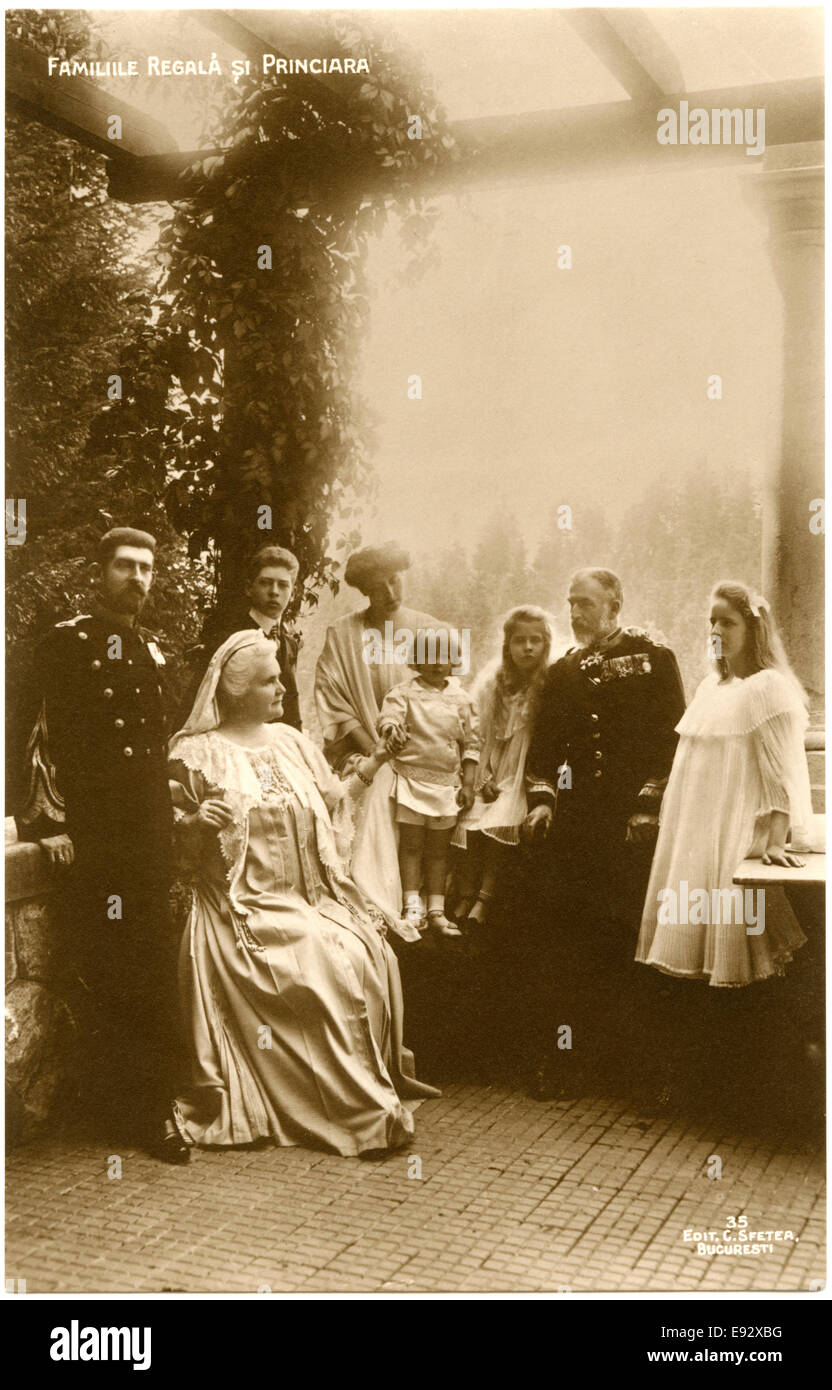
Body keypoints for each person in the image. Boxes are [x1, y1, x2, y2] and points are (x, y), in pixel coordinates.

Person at [168, 630, 439, 1157]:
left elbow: (335, 798)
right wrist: (197, 823)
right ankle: (355, 1110)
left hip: (309, 898)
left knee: (366, 949)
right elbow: (169, 844)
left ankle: (358, 1091)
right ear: (237, 687)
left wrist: (380, 756)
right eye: (270, 680)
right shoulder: (196, 754)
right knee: (315, 963)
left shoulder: (291, 741)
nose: (281, 690)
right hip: (238, 906)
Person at [18, 527, 187, 1162]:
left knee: (150, 970)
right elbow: (25, 735)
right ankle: (123, 1107)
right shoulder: (63, 645)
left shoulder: (151, 650)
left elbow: (154, 753)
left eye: (146, 568)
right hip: (91, 836)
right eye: (125, 566)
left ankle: (154, 1105)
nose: (137, 578)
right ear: (101, 571)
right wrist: (44, 821)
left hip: (145, 836)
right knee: (106, 968)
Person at [522, 567, 686, 1100]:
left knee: (629, 943)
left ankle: (636, 1071)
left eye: (586, 604)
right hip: (576, 829)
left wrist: (646, 806)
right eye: (570, 603)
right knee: (569, 946)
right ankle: (565, 1064)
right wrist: (544, 801)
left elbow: (672, 743)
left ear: (616, 603)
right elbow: (543, 752)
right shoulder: (562, 673)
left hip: (631, 829)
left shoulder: (653, 659)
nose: (574, 614)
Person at [636, 582, 812, 988]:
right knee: (690, 920)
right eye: (712, 622)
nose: (716, 631)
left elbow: (780, 770)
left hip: (736, 820)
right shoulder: (710, 688)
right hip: (699, 826)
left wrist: (774, 840)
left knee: (732, 923)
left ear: (753, 630)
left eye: (728, 623)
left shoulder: (767, 687)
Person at [314, 541, 442, 940]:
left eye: (395, 580)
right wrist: (374, 750)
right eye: (377, 586)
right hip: (364, 748)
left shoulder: (431, 629)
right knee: (374, 784)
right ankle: (372, 897)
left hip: (426, 751)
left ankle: (430, 898)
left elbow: (451, 699)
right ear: (364, 591)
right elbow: (335, 703)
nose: (389, 592)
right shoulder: (343, 634)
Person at [451, 606, 553, 930]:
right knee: (468, 818)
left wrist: (510, 782)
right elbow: (483, 738)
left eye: (535, 640)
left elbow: (541, 747)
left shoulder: (549, 685)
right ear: (507, 645)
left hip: (524, 775)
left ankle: (484, 896)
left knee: (500, 819)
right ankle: (465, 893)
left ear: (546, 644)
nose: (528, 648)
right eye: (519, 640)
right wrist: (483, 780)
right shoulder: (493, 684)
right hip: (491, 771)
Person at [378, 641, 479, 937]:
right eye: (430, 659)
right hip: (411, 780)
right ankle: (411, 905)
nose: (438, 665)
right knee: (411, 846)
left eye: (445, 658)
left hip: (446, 785)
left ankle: (436, 909)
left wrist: (469, 784)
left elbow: (471, 745)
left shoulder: (462, 699)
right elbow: (389, 717)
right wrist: (390, 728)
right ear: (416, 662)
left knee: (438, 851)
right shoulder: (402, 693)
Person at [180, 544, 302, 731]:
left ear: (292, 594)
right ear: (248, 588)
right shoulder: (228, 639)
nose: (274, 592)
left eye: (283, 585)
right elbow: (200, 702)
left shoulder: (289, 644)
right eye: (265, 582)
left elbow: (291, 707)